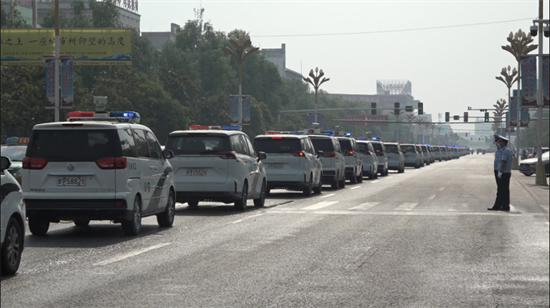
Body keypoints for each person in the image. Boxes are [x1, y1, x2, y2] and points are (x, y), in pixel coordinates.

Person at [488, 136, 512, 211]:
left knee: (501, 190)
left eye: (500, 142)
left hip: (504, 172)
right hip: (502, 171)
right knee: (504, 189)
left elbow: (503, 162)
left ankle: (498, 205)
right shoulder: (501, 150)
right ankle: (504, 205)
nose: (499, 143)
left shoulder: (506, 150)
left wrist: (500, 172)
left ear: (503, 142)